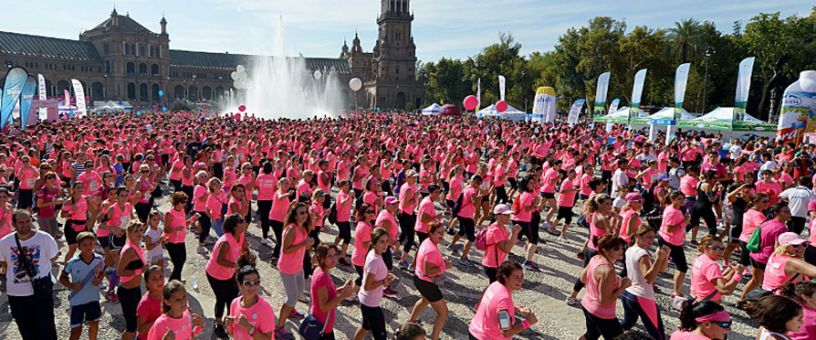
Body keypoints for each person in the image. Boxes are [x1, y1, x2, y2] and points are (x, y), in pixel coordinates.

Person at [0, 210, 59, 340]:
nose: (25, 225)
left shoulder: (44, 238)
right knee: (26, 330)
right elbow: (4, 265)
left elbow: (54, 257)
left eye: (28, 221)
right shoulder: (4, 243)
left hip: (41, 291)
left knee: (47, 329)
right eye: (21, 222)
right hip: (17, 294)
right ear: (13, 224)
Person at [620, 224, 670, 340]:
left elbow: (660, 269)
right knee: (658, 334)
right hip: (642, 297)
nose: (651, 241)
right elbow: (649, 278)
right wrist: (659, 258)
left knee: (627, 323)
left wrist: (664, 257)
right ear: (637, 236)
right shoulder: (643, 254)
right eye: (648, 237)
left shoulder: (630, 249)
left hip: (628, 293)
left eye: (653, 237)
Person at [468, 261, 538, 339]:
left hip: (475, 331)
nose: (520, 280)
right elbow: (506, 332)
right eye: (516, 277)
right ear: (505, 276)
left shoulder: (495, 285)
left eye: (522, 276)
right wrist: (528, 322)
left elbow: (495, 306)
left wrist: (516, 309)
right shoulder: (504, 300)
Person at [205, 213, 249, 338]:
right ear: (235, 226)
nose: (244, 222)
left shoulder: (240, 236)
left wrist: (247, 255)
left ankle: (230, 321)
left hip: (228, 274)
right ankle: (218, 325)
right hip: (215, 275)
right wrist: (236, 265)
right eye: (241, 221)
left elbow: (243, 249)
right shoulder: (225, 242)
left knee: (233, 298)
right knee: (221, 299)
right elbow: (219, 260)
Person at [579, 235, 630, 339]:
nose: (621, 250)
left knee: (591, 336)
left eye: (622, 247)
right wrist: (623, 286)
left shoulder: (595, 258)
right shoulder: (608, 271)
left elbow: (583, 279)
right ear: (605, 250)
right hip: (602, 313)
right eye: (616, 249)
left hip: (587, 305)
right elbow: (605, 301)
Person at [276, 202, 314, 338]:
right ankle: (279, 327)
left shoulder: (303, 228)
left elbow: (300, 246)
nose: (304, 215)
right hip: (287, 268)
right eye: (301, 213)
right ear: (295, 215)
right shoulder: (291, 229)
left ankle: (291, 311)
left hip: (298, 266)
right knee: (292, 297)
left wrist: (308, 247)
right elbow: (285, 249)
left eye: (305, 212)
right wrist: (304, 244)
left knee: (299, 292)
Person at [408, 222, 451, 340]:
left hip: (419, 278)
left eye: (443, 232)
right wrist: (444, 266)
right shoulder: (431, 249)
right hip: (426, 282)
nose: (442, 235)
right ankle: (434, 338)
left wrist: (441, 261)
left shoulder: (427, 242)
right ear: (431, 233)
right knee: (443, 314)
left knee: (425, 300)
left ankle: (410, 322)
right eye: (439, 232)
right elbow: (428, 270)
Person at [59, 231, 104, 340]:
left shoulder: (99, 259)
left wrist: (99, 280)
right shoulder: (72, 263)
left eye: (91, 244)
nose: (89, 247)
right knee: (76, 330)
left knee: (94, 324)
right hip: (77, 301)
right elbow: (62, 278)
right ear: (78, 247)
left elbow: (102, 272)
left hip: (93, 299)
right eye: (85, 245)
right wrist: (72, 286)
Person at [742, 203, 793, 302]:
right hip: (766, 259)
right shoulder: (781, 228)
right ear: (776, 213)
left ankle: (742, 299)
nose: (789, 214)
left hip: (755, 255)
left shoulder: (767, 222)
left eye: (789, 211)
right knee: (767, 285)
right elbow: (778, 247)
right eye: (786, 212)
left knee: (755, 281)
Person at [354, 227, 395, 340]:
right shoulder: (374, 259)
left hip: (368, 300)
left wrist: (384, 279)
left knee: (365, 327)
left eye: (387, 241)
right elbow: (367, 286)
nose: (385, 244)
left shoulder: (375, 254)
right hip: (370, 303)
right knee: (380, 336)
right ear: (374, 243)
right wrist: (383, 281)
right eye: (382, 241)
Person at [310, 243, 358, 340]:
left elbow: (328, 294)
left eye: (335, 254)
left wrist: (341, 289)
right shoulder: (322, 277)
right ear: (322, 259)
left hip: (322, 321)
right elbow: (324, 307)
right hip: (323, 323)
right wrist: (343, 296)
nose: (334, 258)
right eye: (330, 256)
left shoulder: (321, 270)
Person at [225, 261, 277, 340]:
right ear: (239, 284)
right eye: (248, 283)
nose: (253, 287)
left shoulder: (265, 309)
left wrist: (249, 327)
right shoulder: (234, 303)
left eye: (256, 282)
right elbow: (232, 334)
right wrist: (228, 325)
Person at [116, 220, 148, 340]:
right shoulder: (129, 250)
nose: (139, 233)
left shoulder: (138, 246)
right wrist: (139, 271)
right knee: (131, 327)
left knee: (137, 322)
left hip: (135, 289)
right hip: (126, 291)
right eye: (136, 231)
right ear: (129, 233)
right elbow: (119, 272)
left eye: (140, 230)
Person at [689, 235, 743, 303]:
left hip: (695, 298)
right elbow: (726, 290)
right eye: (715, 248)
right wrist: (738, 274)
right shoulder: (711, 265)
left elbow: (716, 281)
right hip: (707, 305)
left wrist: (731, 270)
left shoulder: (700, 259)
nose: (720, 251)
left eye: (723, 248)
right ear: (705, 248)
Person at [658, 191, 689, 299]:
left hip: (669, 239)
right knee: (682, 267)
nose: (682, 201)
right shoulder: (673, 211)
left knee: (662, 263)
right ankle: (676, 292)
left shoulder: (671, 208)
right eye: (679, 199)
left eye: (683, 199)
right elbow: (669, 228)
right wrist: (684, 222)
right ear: (673, 199)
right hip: (671, 241)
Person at [482, 204, 522, 283]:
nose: (508, 217)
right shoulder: (496, 230)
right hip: (493, 264)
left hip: (495, 263)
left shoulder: (501, 227)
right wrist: (514, 234)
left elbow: (508, 243)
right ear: (497, 215)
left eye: (509, 215)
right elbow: (506, 249)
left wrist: (514, 235)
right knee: (496, 287)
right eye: (505, 215)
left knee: (494, 287)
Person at [164, 191, 197, 282]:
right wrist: (175, 229)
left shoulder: (182, 211)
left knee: (182, 259)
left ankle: (177, 278)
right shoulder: (169, 213)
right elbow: (166, 230)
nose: (184, 204)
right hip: (171, 241)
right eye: (182, 202)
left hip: (180, 240)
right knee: (178, 263)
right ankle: (172, 281)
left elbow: (184, 224)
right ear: (177, 202)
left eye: (185, 202)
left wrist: (193, 219)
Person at [136, 265, 165, 340]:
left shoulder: (168, 293)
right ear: (147, 283)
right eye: (154, 279)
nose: (159, 281)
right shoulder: (145, 303)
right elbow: (141, 330)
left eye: (161, 276)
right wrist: (161, 320)